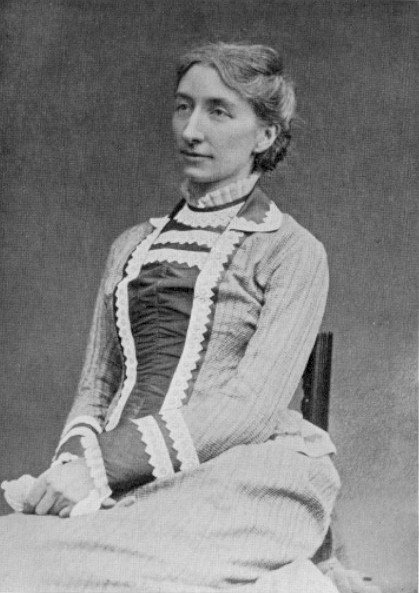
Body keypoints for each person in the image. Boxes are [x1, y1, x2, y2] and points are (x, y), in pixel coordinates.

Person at [1, 42, 345, 592]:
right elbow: (97, 385)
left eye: (218, 110)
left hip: (238, 476)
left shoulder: (292, 251)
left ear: (266, 135)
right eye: (183, 106)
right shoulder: (131, 246)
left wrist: (102, 465)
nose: (191, 129)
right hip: (122, 475)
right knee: (14, 555)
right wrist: (74, 468)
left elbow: (251, 407)